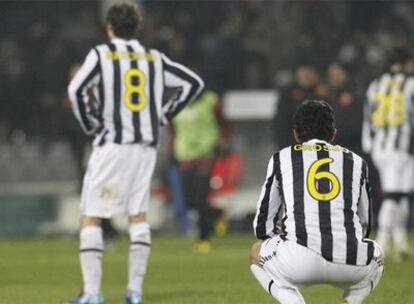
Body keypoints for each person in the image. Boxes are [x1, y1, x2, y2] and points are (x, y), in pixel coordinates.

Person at [67, 3, 204, 304]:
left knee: (91, 216)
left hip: (113, 146)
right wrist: (165, 114)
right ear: (137, 28)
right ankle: (134, 292)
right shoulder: (153, 58)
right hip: (145, 148)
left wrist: (91, 122)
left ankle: (92, 294)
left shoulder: (102, 55)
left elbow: (76, 90)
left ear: (110, 28)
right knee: (138, 216)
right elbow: (193, 83)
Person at [250, 100, 383, 304]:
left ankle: (293, 302)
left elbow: (262, 225)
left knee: (255, 252)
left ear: (296, 134)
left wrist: (282, 235)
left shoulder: (281, 158)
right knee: (378, 254)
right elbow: (366, 225)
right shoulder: (358, 162)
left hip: (297, 261)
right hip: (349, 263)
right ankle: (351, 301)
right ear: (333, 134)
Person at [361, 48, 414, 259]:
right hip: (402, 148)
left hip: (379, 148)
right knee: (395, 195)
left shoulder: (375, 85)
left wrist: (370, 146)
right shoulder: (410, 84)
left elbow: (367, 116)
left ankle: (400, 242)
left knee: (400, 194)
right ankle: (381, 242)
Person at [171, 89, 229, 252]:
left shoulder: (211, 101)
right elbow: (172, 130)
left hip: (206, 153)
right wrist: (171, 153)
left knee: (200, 197)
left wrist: (223, 142)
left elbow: (223, 123)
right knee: (189, 200)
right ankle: (217, 214)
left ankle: (203, 238)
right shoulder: (176, 103)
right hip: (185, 155)